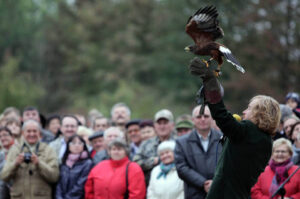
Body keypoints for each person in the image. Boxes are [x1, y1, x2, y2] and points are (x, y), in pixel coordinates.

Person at [189, 58, 281, 198]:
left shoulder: (248, 131)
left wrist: (210, 83)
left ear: (260, 113)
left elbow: (222, 117)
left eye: (249, 108)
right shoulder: (267, 142)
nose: (244, 111)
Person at [1, 120, 59, 199]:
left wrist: (39, 163)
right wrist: (16, 163)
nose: (32, 134)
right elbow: (4, 176)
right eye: (28, 131)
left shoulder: (48, 150)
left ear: (39, 133)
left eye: (35, 131)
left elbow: (54, 177)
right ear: (23, 133)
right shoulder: (15, 150)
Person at [175, 105, 222, 199]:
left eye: (206, 116)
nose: (203, 119)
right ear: (193, 120)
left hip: (220, 192)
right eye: (199, 117)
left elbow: (229, 165)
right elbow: (181, 167)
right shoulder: (182, 142)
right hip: (194, 193)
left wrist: (215, 183)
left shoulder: (224, 139)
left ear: (212, 118)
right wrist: (203, 183)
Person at [133, 109, 176, 185]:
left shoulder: (179, 143)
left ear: (172, 125)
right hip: (152, 187)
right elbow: (135, 163)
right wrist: (153, 161)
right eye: (159, 123)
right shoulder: (146, 144)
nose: (162, 126)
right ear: (155, 126)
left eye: (165, 123)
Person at [56, 134, 93, 199]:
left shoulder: (88, 163)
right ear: (68, 146)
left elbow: (80, 185)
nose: (77, 145)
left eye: (80, 143)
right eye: (73, 143)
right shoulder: (64, 163)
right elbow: (59, 184)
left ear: (83, 146)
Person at [0, 127, 15, 199]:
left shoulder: (18, 150)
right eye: (0, 136)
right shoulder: (1, 153)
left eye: (5, 135)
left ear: (12, 136)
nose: (3, 138)